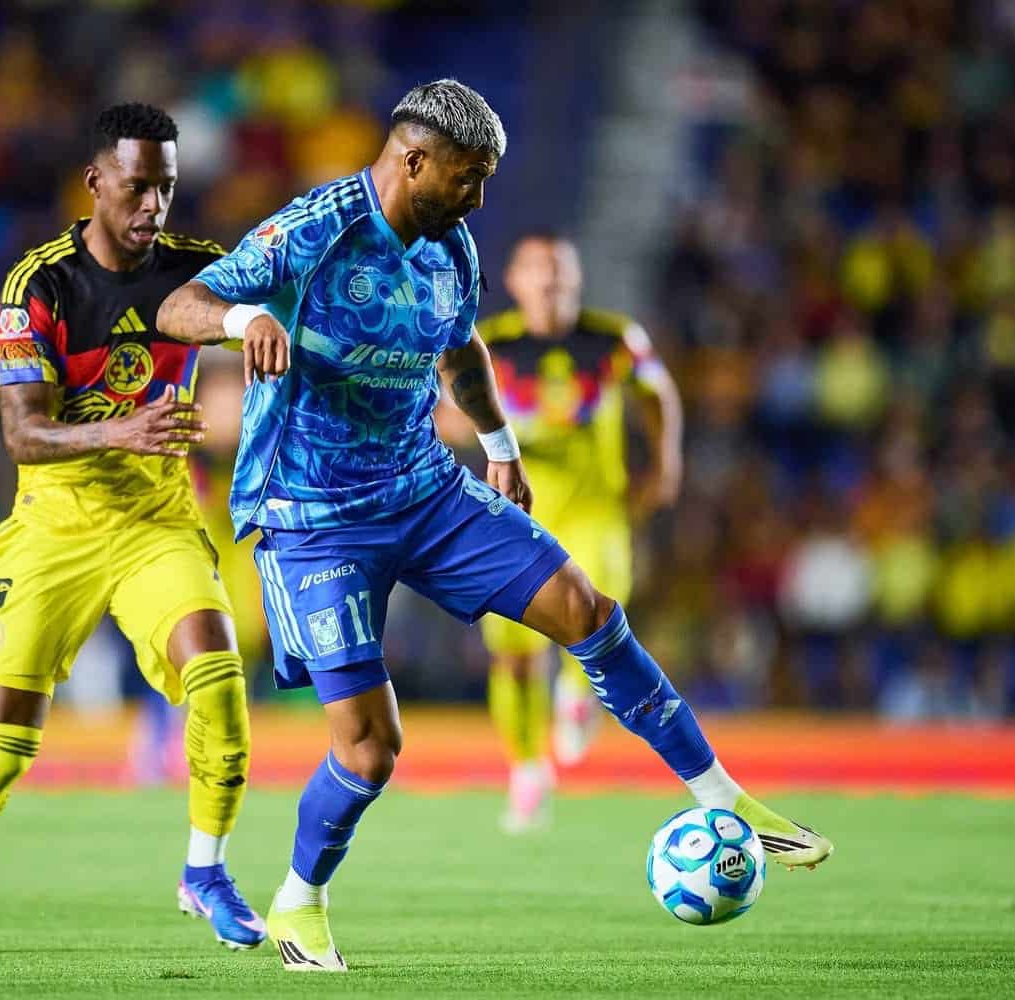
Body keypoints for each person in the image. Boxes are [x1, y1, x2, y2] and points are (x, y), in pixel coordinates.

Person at [158, 79, 833, 973]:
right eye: (468, 177)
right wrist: (244, 317)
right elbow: (178, 306)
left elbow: (461, 348)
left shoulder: (452, 246)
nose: (479, 198)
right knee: (370, 749)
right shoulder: (313, 232)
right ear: (413, 161)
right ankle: (300, 899)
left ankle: (725, 796)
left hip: (426, 490)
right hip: (315, 518)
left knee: (587, 608)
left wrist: (499, 443)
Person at [0, 103, 263, 957]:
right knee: (5, 747)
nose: (153, 206)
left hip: (154, 521)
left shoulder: (196, 270)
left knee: (220, 684)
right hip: (54, 525)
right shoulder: (40, 285)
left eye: (166, 188)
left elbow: (268, 306)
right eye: (137, 187)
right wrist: (124, 429)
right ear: (95, 182)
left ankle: (205, 872)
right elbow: (22, 434)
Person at [475, 233, 683, 832]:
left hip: (595, 511)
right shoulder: (492, 345)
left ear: (577, 279)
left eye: (560, 270)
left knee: (596, 609)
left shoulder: (615, 339)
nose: (550, 282)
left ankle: (577, 691)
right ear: (514, 281)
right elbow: (447, 405)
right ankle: (526, 767)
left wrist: (665, 459)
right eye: (538, 270)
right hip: (518, 520)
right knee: (513, 659)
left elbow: (658, 392)